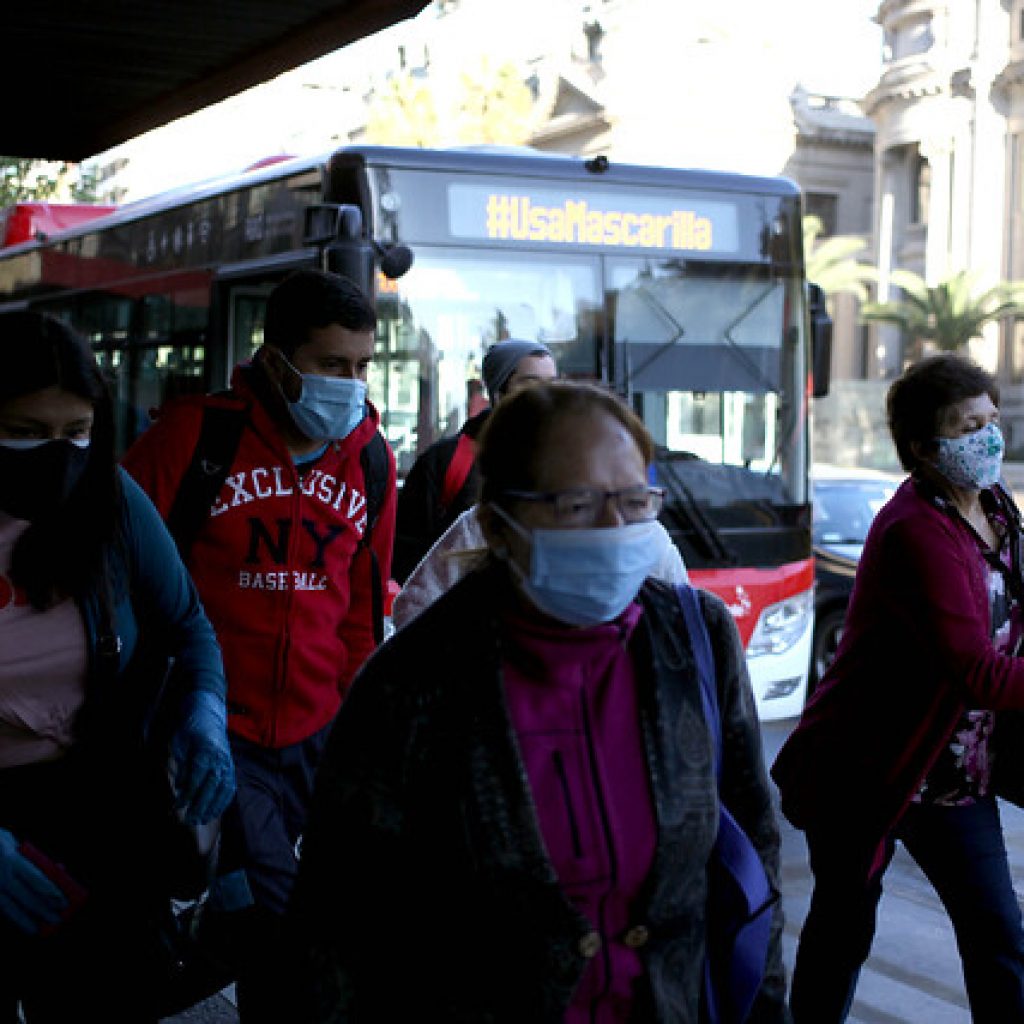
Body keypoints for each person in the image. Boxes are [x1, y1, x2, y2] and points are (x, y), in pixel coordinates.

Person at [287, 380, 788, 1022]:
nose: (615, 530)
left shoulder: (698, 641)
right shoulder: (412, 682)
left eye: (634, 501)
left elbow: (754, 847)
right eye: (578, 504)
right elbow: (338, 932)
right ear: (498, 524)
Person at [122, 268, 397, 1022]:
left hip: (316, 736)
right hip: (212, 730)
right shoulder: (194, 437)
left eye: (361, 366)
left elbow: (360, 608)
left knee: (287, 929)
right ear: (275, 359)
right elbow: (118, 573)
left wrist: (360, 724)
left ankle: (164, 956)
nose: (350, 384)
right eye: (331, 365)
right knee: (280, 923)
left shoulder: (371, 458)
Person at [772, 352, 1024, 1023]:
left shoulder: (996, 507)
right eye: (967, 425)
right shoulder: (916, 528)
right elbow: (977, 670)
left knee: (999, 938)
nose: (989, 437)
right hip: (870, 771)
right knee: (841, 934)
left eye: (992, 419)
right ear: (923, 446)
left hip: (953, 778)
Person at [0, 310, 235, 1023]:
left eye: (77, 432)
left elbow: (188, 625)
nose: (59, 455)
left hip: (90, 804)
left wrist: (206, 712)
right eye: (24, 432)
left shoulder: (109, 499)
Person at [392, 338, 556, 582]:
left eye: (552, 384)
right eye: (530, 384)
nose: (546, 395)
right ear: (499, 392)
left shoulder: (568, 459)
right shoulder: (446, 461)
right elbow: (407, 555)